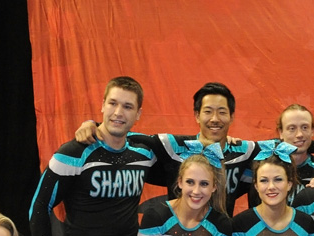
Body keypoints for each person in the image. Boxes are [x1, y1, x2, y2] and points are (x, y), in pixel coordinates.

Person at [29, 76, 156, 236]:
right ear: (102, 105)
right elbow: (38, 207)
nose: (119, 112)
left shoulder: (144, 152)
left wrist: (222, 140)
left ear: (139, 113)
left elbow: (188, 148)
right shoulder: (73, 153)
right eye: (113, 103)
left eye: (128, 107)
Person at [77, 82, 257, 215]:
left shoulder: (243, 152)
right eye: (208, 111)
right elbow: (128, 134)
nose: (215, 119)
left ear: (232, 117)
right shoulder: (174, 147)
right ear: (196, 115)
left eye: (222, 112)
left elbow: (277, 146)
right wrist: (95, 125)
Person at [276, 104, 314, 194]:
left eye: (305, 127)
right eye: (292, 128)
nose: (299, 134)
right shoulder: (261, 166)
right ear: (281, 133)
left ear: (312, 131)